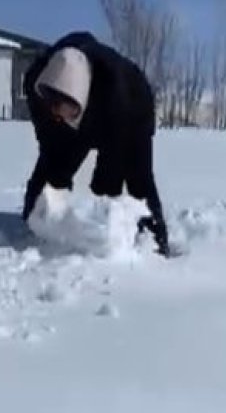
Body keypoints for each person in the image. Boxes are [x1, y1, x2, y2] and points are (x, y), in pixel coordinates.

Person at [22, 32, 171, 256]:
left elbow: (111, 169)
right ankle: (36, 223)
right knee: (53, 167)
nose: (56, 116)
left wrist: (102, 218)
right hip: (82, 108)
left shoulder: (116, 94)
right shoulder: (39, 80)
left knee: (137, 180)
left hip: (133, 111)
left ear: (77, 103)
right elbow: (48, 141)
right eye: (53, 108)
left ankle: (156, 244)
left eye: (63, 110)